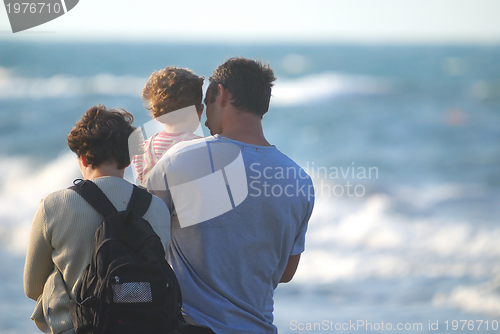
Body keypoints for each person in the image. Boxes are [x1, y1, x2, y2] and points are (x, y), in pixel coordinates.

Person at [146, 57, 315, 333]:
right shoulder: (299, 180)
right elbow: (285, 273)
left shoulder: (179, 159)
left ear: (221, 94)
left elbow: (143, 240)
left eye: (207, 103)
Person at [23, 105, 171, 334]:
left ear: (82, 157)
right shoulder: (157, 208)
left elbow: (32, 288)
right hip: (146, 326)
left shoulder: (53, 205)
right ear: (129, 158)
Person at [133, 66, 204, 186]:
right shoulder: (199, 147)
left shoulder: (143, 149)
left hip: (151, 205)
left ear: (156, 114)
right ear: (199, 111)